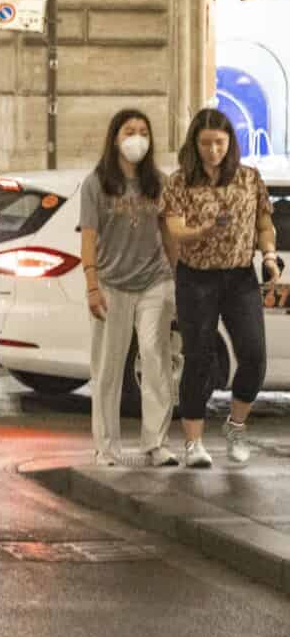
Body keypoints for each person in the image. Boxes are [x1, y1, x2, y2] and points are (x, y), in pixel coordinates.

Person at [160, 107, 279, 468]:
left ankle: (235, 426)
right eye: (206, 143)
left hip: (240, 276)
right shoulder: (180, 182)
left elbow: (264, 224)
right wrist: (203, 231)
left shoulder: (248, 178)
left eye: (220, 143)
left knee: (254, 356)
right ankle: (193, 443)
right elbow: (175, 229)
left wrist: (270, 256)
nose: (213, 150)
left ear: (231, 143)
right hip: (196, 277)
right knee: (199, 358)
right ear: (194, 144)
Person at [79, 108, 178, 468]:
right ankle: (107, 446)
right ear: (115, 138)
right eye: (129, 131)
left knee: (155, 357)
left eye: (143, 132)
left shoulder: (160, 182)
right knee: (108, 366)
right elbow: (88, 238)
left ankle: (156, 442)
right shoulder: (96, 184)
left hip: (155, 279)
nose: (137, 138)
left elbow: (169, 234)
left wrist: (175, 279)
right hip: (110, 283)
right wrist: (92, 284)